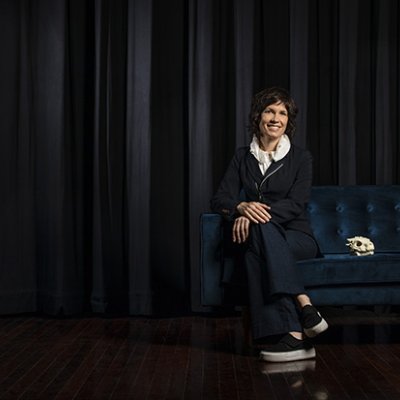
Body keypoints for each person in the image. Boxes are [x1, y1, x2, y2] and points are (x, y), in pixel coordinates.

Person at [210, 86, 328, 363]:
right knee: (255, 248)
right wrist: (240, 206)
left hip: (298, 237)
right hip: (263, 239)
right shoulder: (242, 156)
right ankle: (302, 316)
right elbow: (220, 199)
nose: (276, 118)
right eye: (269, 111)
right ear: (258, 117)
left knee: (259, 233)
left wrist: (252, 215)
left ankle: (288, 335)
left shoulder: (301, 158)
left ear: (288, 120)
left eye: (282, 113)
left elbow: (296, 204)